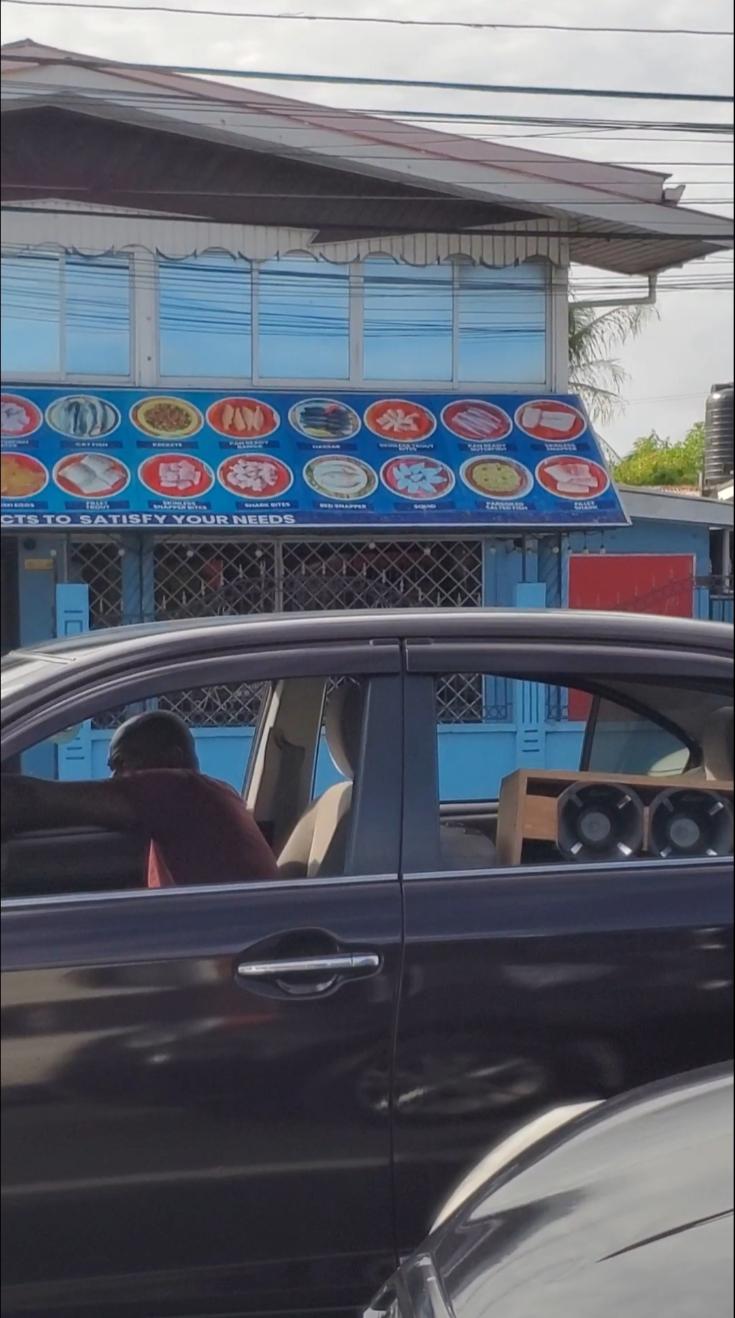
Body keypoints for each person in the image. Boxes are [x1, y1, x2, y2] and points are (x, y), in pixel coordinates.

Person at [1, 711, 278, 888]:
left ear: (172, 758)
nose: (116, 779)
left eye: (122, 764)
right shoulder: (211, 795)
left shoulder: (178, 790)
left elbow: (33, 799)